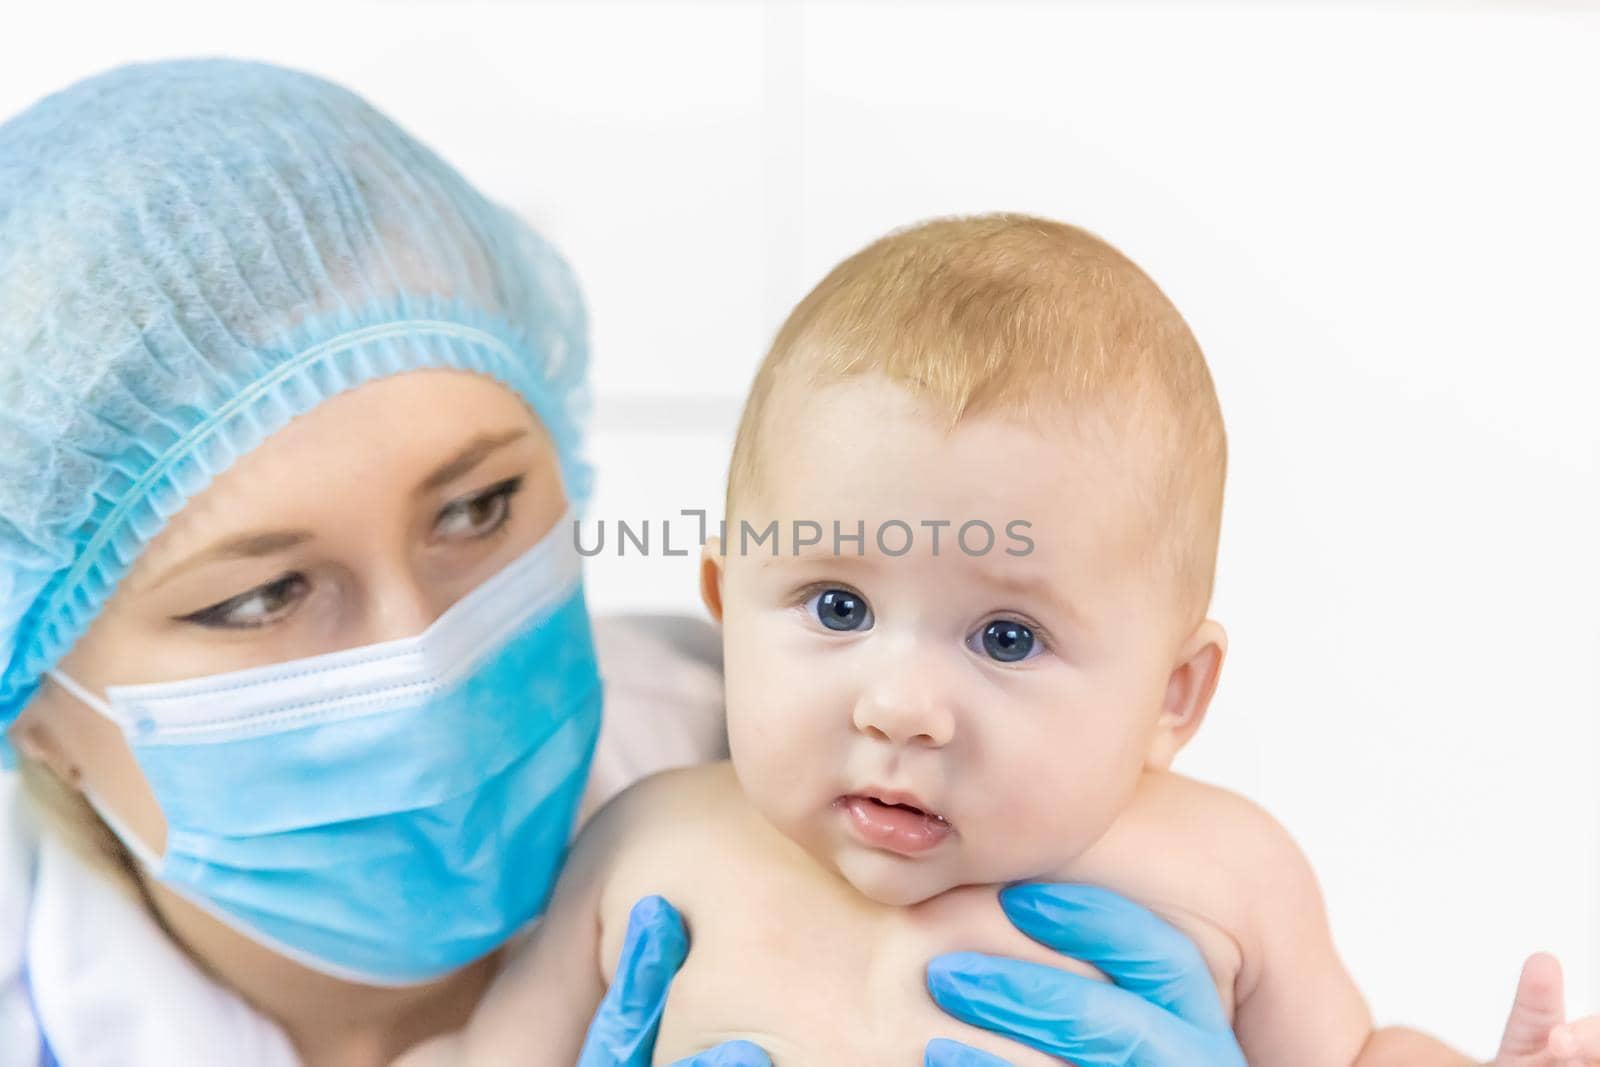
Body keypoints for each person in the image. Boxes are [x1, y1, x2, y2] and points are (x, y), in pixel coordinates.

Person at [0, 57, 1401, 1067]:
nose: (422, 644)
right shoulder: (664, 851)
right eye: (259, 593)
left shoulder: (1141, 843)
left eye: (479, 505)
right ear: (40, 704)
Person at [394, 215, 1600, 1067]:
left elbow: (1355, 1052)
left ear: (1173, 697)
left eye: (1008, 635)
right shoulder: (652, 842)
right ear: (723, 598)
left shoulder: (1221, 874)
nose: (901, 705)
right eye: (837, 606)